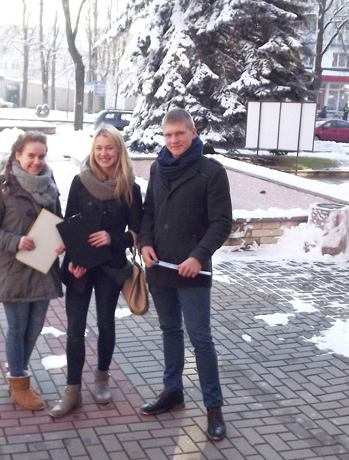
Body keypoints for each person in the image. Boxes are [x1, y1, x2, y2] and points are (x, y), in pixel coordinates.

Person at [139, 108, 233, 442]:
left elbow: (222, 222)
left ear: (193, 133)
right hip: (160, 267)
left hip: (193, 270)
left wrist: (198, 256)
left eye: (180, 133)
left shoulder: (211, 171)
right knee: (169, 331)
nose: (174, 140)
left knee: (201, 339)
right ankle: (172, 392)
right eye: (168, 134)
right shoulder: (158, 167)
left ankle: (214, 408)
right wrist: (145, 243)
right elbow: (149, 211)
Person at [50, 124, 142, 417]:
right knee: (75, 329)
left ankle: (102, 377)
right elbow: (70, 224)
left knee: (105, 324)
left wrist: (112, 238)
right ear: (93, 150)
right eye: (99, 148)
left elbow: (136, 234)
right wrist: (72, 262)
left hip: (110, 268)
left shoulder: (130, 188)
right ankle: (72, 390)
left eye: (109, 147)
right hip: (79, 266)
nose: (104, 153)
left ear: (118, 150)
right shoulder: (80, 182)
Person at [0, 132, 63, 411]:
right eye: (30, 155)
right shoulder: (2, 186)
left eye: (41, 156)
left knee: (35, 327)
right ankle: (18, 383)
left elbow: (58, 221)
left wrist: (61, 240)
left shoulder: (50, 183)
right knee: (17, 328)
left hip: (43, 267)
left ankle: (18, 371)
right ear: (18, 155)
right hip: (15, 269)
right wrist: (14, 241)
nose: (36, 161)